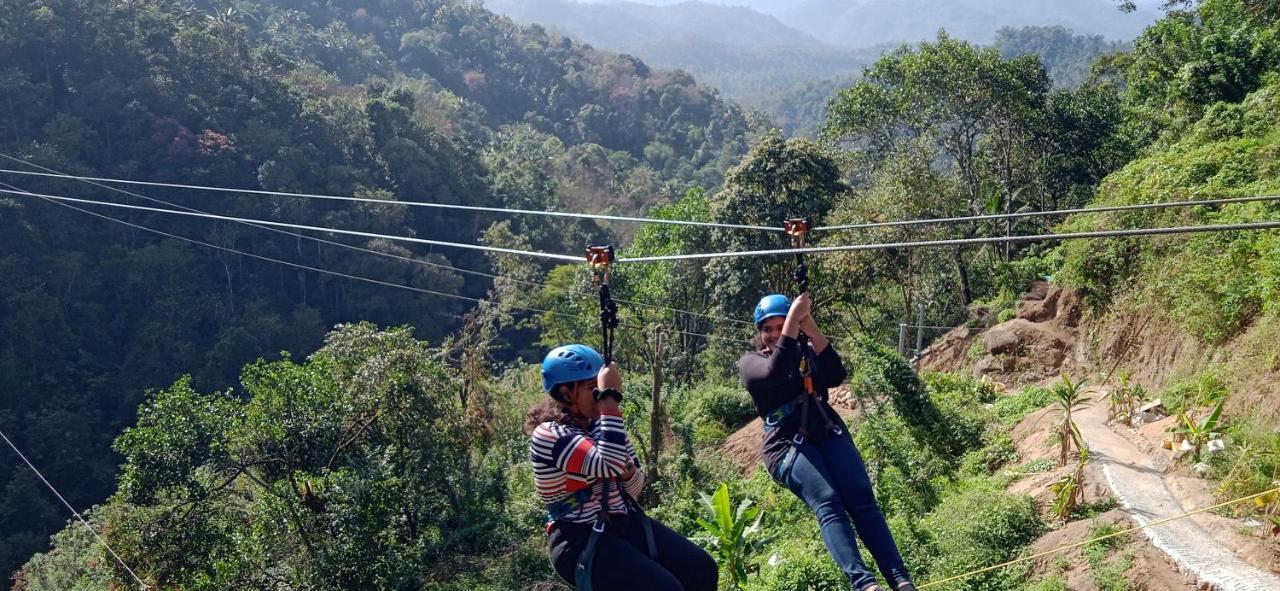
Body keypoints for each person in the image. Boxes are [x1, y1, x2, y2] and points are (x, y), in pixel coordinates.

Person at [738, 293, 916, 591]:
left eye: (779, 326)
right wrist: (793, 321)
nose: (772, 335)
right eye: (767, 329)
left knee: (862, 499)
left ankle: (900, 579)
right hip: (785, 445)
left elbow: (835, 374)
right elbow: (776, 372)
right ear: (759, 333)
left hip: (824, 429)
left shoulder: (805, 353)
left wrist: (811, 327)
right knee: (828, 499)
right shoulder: (751, 364)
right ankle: (865, 584)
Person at [527, 344, 718, 591]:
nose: (600, 395)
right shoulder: (550, 435)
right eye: (592, 389)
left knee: (700, 567)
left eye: (602, 388)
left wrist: (627, 473)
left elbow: (635, 488)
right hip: (577, 539)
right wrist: (610, 399)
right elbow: (611, 464)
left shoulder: (601, 426)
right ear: (566, 394)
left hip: (619, 523)